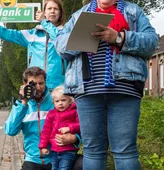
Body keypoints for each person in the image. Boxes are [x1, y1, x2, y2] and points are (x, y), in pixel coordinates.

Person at [53, 0, 159, 169]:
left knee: (125, 151)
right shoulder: (79, 15)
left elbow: (152, 43)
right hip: (87, 91)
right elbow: (59, 47)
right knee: (92, 151)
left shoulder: (133, 11)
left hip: (125, 89)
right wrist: (82, 37)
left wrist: (119, 37)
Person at [0, 0, 66, 90]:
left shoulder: (66, 33)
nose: (52, 11)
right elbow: (5, 33)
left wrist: (45, 22)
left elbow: (60, 39)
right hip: (35, 87)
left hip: (58, 88)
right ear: (43, 12)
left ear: (60, 13)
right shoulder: (31, 35)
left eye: (56, 9)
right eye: (49, 9)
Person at [4, 67, 80, 170]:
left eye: (41, 83)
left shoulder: (57, 101)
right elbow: (10, 131)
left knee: (83, 165)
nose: (38, 87)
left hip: (58, 156)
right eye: (33, 84)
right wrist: (24, 103)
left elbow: (79, 123)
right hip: (33, 160)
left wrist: (75, 138)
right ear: (25, 84)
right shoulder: (21, 106)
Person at [39, 85, 80, 170]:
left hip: (69, 150)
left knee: (64, 168)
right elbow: (46, 131)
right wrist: (43, 146)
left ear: (70, 100)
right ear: (53, 103)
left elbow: (81, 125)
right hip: (54, 150)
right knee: (54, 168)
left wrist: (70, 128)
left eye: (63, 100)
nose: (60, 103)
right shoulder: (51, 114)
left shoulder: (74, 111)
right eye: (57, 101)